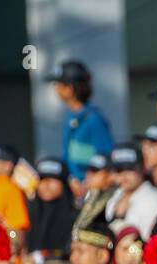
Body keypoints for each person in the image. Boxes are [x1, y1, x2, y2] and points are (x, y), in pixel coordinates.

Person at [48, 60, 114, 193]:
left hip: (91, 191)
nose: (57, 89)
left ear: (70, 88)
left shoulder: (94, 120)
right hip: (73, 189)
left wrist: (86, 183)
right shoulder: (70, 116)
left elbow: (107, 158)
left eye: (59, 84)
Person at [105, 144, 157, 240]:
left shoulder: (154, 201)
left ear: (142, 168)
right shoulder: (114, 197)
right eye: (119, 170)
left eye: (130, 169)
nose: (124, 176)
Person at [24, 158, 77, 264]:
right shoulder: (28, 211)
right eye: (42, 179)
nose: (46, 184)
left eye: (52, 179)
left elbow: (71, 249)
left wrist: (41, 256)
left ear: (64, 184)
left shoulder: (76, 217)